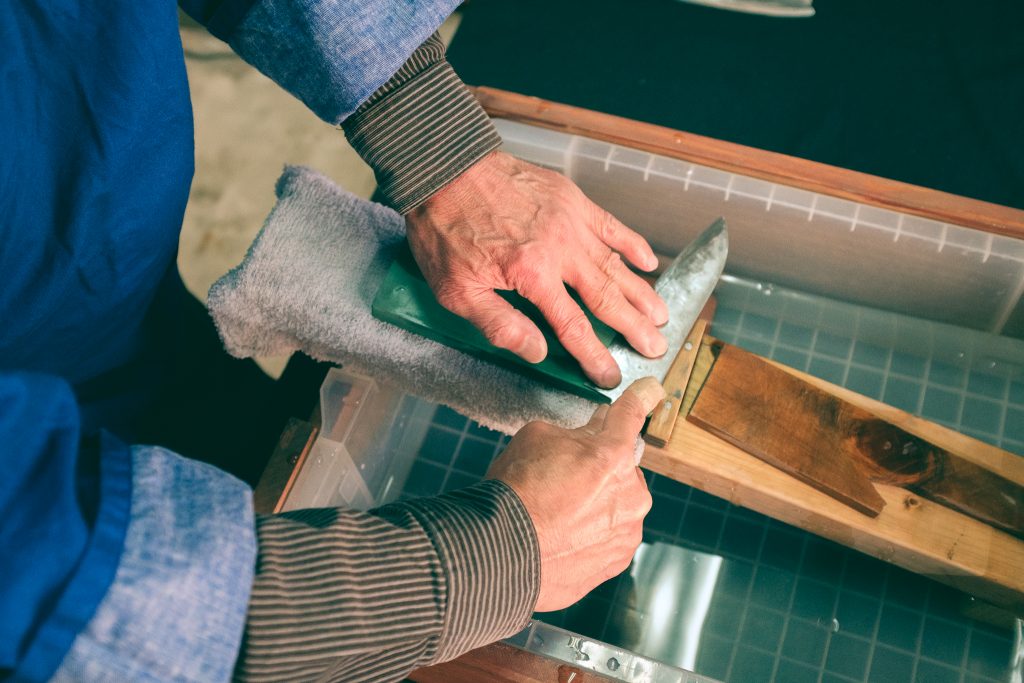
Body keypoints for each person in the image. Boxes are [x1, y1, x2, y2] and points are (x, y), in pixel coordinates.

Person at [0, 1, 669, 681]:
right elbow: (38, 584)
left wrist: (425, 129)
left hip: (90, 269)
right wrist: (472, 569)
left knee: (208, 416)